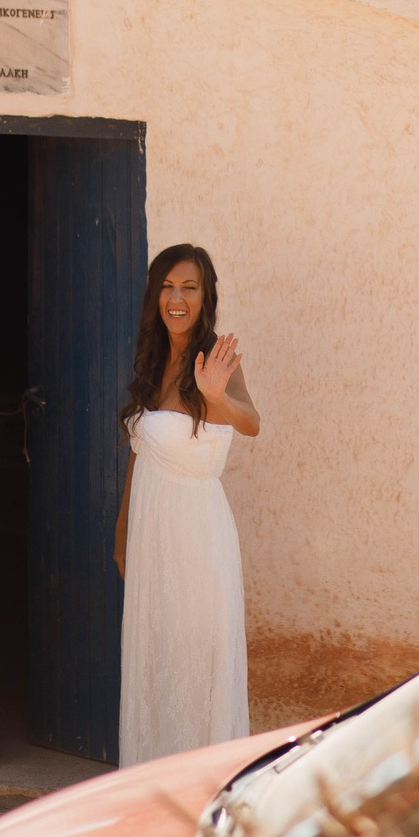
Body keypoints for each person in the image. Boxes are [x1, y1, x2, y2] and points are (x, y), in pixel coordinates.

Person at [114, 243, 260, 764]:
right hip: (152, 536)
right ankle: (151, 784)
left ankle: (202, 788)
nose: (177, 298)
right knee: (155, 659)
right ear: (156, 294)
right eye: (168, 287)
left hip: (198, 538)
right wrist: (121, 535)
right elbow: (140, 452)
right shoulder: (153, 360)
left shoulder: (216, 357)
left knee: (196, 660)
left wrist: (217, 395)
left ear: (205, 296)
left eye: (190, 287)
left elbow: (251, 422)